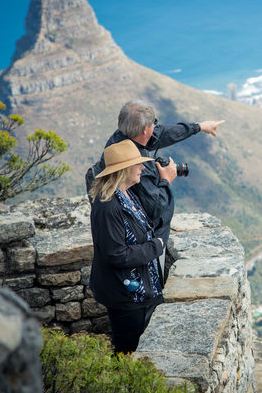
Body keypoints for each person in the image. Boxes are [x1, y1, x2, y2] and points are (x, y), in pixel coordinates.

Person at [86, 99, 224, 283]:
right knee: (147, 291)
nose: (155, 128)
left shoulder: (122, 139)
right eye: (153, 124)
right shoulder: (135, 166)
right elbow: (157, 210)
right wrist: (166, 179)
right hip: (141, 249)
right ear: (145, 130)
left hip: (129, 244)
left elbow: (162, 134)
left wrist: (199, 127)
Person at [88, 139, 164, 353]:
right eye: (137, 164)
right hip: (127, 295)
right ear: (124, 169)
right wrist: (155, 247)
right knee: (127, 351)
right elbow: (116, 254)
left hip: (139, 292)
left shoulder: (126, 195)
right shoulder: (108, 205)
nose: (142, 167)